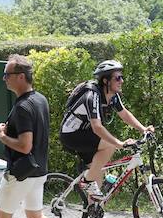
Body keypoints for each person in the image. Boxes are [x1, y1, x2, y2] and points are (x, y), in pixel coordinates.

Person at [0, 54, 87, 218]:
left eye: (7, 75)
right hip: (38, 171)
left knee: (2, 215)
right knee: (35, 215)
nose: (4, 79)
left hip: (21, 173)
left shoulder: (22, 107)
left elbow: (24, 145)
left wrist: (2, 136)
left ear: (20, 77)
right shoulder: (40, 99)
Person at [59, 59, 154, 200]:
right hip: (71, 134)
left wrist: (143, 129)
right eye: (117, 78)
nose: (121, 81)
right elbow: (97, 127)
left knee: (97, 172)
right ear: (105, 81)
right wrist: (119, 144)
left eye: (122, 77)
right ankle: (85, 182)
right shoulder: (92, 96)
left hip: (86, 133)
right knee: (109, 146)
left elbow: (124, 114)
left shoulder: (113, 96)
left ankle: (95, 209)